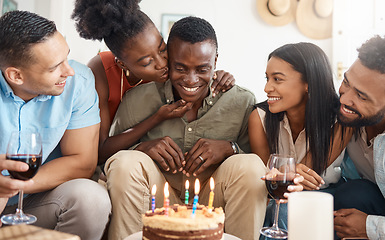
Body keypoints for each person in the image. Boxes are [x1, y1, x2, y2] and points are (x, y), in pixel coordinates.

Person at [104, 16, 271, 240]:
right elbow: (109, 155)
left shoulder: (241, 101)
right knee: (126, 163)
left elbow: (257, 164)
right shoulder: (138, 99)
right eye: (180, 68)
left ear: (216, 61)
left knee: (251, 166)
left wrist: (229, 148)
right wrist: (142, 148)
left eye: (202, 69)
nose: (191, 80)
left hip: (212, 202)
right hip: (157, 200)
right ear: (169, 60)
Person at [71, 0, 235, 166]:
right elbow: (101, 150)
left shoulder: (167, 69)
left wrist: (216, 74)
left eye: (162, 49)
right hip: (113, 160)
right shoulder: (100, 71)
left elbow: (194, 70)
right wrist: (156, 118)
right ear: (122, 64)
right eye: (146, 62)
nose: (162, 63)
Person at [0, 11, 111, 240]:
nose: (68, 71)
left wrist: (13, 185)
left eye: (66, 58)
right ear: (16, 75)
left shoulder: (78, 82)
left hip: (37, 201)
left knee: (91, 199)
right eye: (54, 68)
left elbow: (82, 162)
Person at [248, 43, 352, 238]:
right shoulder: (259, 118)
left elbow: (307, 175)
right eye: (267, 78)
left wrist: (286, 173)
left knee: (291, 210)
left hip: (328, 197)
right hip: (278, 199)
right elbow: (266, 177)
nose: (266, 88)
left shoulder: (341, 119)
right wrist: (287, 173)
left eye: (277, 79)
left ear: (308, 84)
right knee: (282, 209)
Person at [333, 35, 385, 240]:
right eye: (346, 82)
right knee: (352, 193)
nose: (344, 99)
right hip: (365, 201)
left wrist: (369, 227)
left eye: (361, 96)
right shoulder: (345, 116)